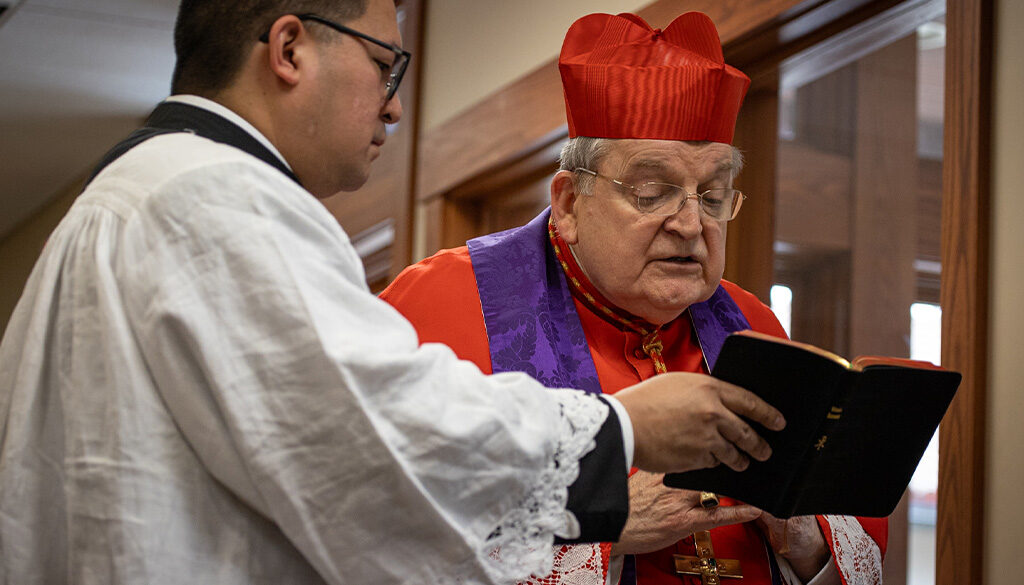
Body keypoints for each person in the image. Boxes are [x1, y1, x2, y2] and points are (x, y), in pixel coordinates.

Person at [0, 2, 789, 584]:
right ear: (289, 47)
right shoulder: (217, 198)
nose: (394, 104)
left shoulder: (138, 191)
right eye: (386, 64)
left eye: (714, 194)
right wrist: (622, 431)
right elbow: (375, 452)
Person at [381, 11, 887, 585]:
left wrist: (803, 535)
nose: (692, 224)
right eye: (653, 193)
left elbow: (841, 539)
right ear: (570, 203)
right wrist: (606, 526)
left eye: (714, 195)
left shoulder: (752, 323)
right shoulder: (441, 305)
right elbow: (377, 533)